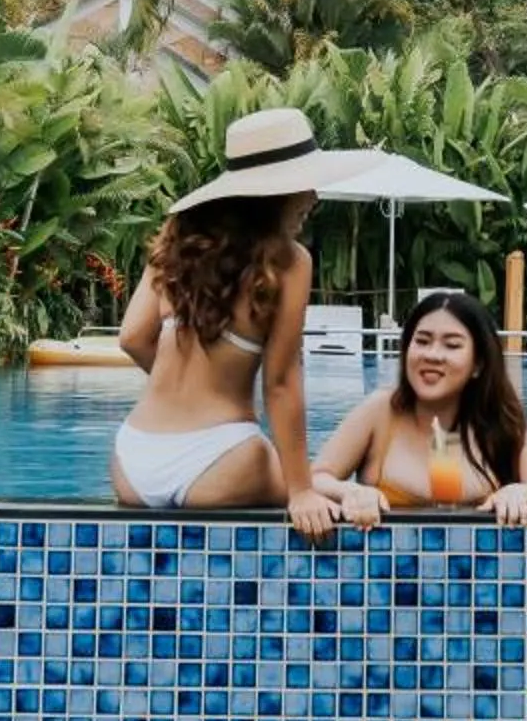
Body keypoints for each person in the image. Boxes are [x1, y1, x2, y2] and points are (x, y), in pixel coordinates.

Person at [110, 107, 373, 514]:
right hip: (224, 461)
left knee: (308, 479)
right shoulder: (290, 262)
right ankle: (342, 490)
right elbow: (281, 382)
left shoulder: (179, 235)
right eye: (307, 185)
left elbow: (131, 337)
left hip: (132, 460)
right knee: (315, 484)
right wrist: (301, 493)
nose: (314, 198)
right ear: (277, 191)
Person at [301, 289, 527, 537]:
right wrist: (350, 492)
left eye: (452, 345)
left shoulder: (501, 420)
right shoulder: (380, 411)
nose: (432, 355)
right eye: (421, 341)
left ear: (478, 364)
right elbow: (313, 479)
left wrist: (521, 491)